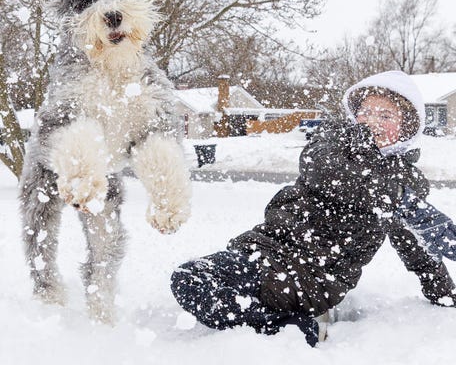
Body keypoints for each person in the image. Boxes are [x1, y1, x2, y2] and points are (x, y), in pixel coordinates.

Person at [170, 70, 456, 346]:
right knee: (192, 278)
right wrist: (384, 183)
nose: (372, 122)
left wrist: (444, 292)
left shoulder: (405, 182)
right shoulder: (333, 142)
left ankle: (286, 326)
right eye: (366, 113)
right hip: (265, 249)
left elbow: (416, 244)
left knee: (191, 281)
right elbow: (319, 168)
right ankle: (282, 322)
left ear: (407, 127)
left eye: (385, 115)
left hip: (314, 277)